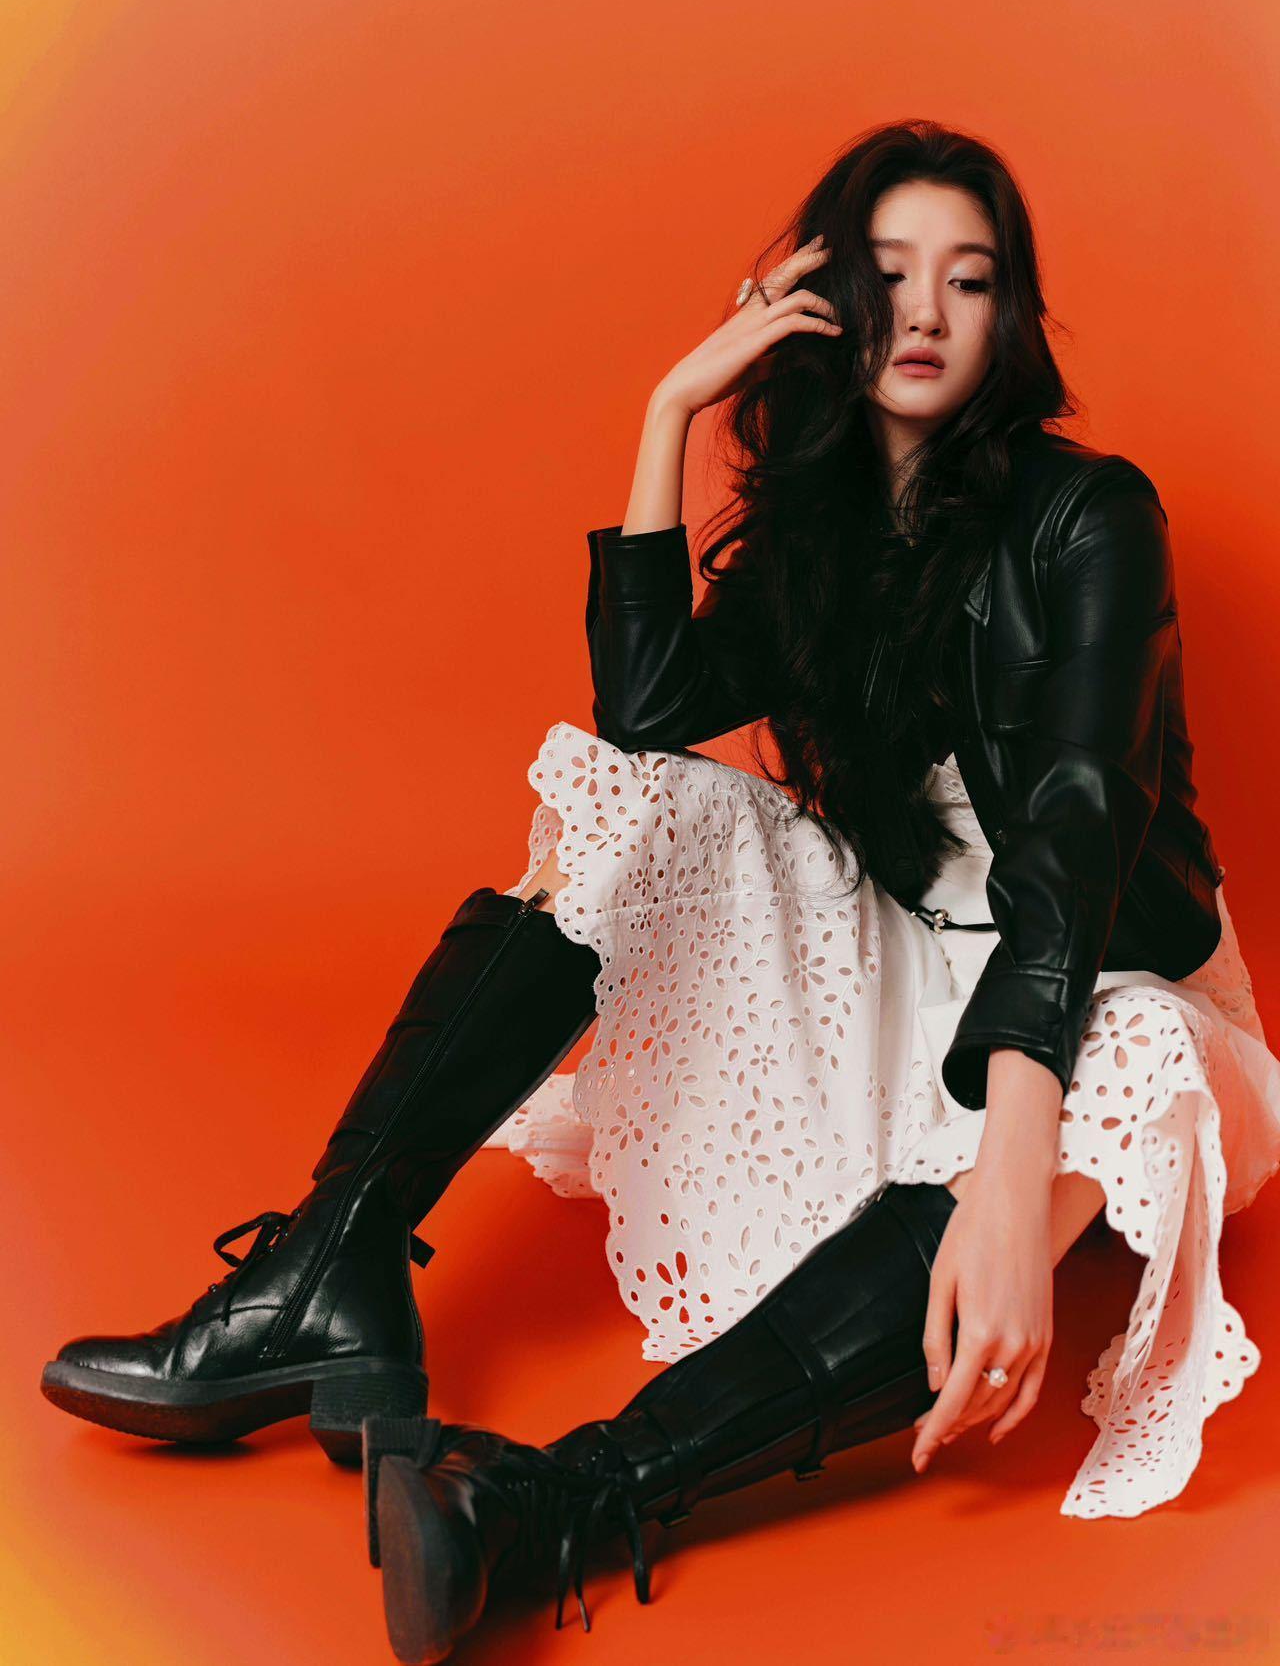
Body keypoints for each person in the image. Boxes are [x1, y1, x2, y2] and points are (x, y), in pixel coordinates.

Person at [39, 120, 1280, 1663]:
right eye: (889, 275)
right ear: (826, 304)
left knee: (1134, 1066)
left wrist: (1012, 1180)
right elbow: (644, 710)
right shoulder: (829, 531)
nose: (925, 313)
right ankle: (327, 1270)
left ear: (1009, 316)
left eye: (969, 281)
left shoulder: (1091, 516)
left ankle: (544, 1502)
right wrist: (669, 409)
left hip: (1102, 979)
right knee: (635, 808)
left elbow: (1080, 829)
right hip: (915, 948)